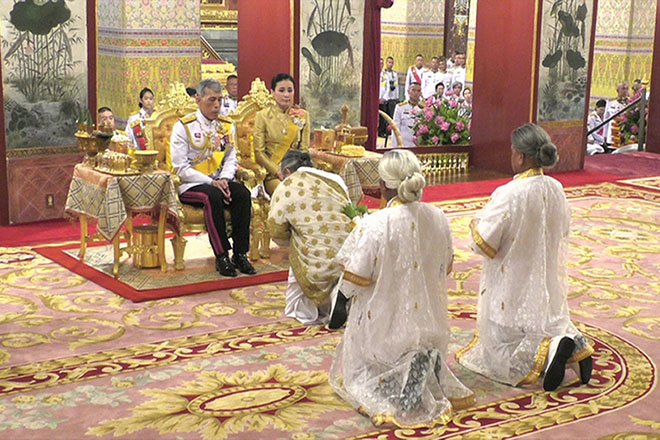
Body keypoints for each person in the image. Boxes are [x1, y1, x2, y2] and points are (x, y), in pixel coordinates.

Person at [329, 150, 475, 428]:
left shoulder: (376, 223)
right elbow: (445, 266)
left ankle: (397, 370)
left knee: (359, 374)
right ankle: (422, 360)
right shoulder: (438, 216)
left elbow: (356, 276)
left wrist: (341, 298)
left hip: (386, 322)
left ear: (383, 185)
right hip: (428, 320)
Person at [456, 123, 594, 392]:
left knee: (496, 353)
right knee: (548, 321)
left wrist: (475, 222)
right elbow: (563, 229)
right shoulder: (556, 187)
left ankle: (551, 350)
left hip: (512, 286)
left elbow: (484, 242)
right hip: (546, 282)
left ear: (520, 156)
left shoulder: (510, 192)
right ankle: (573, 347)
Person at [170, 78, 256, 278]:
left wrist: (224, 179)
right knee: (212, 196)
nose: (217, 105)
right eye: (211, 100)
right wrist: (211, 182)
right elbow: (180, 168)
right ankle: (221, 255)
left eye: (219, 100)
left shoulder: (226, 126)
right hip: (190, 184)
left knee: (242, 194)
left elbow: (231, 157)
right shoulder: (184, 127)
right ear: (198, 99)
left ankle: (240, 254)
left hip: (219, 180)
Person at [267, 150, 353, 325]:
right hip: (347, 255)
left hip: (315, 261)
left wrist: (292, 239)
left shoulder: (288, 185)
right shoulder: (335, 179)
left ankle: (311, 309)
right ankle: (337, 297)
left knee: (298, 240)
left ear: (288, 172)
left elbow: (275, 229)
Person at [254, 73, 310, 195]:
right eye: (281, 90)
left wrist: (296, 171)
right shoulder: (262, 116)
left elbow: (304, 150)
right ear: (272, 92)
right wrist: (277, 171)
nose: (286, 95)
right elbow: (259, 152)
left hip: (296, 172)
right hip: (273, 174)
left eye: (290, 90)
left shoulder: (302, 115)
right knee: (288, 193)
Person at [392, 82, 422, 148]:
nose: (416, 93)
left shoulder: (424, 109)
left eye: (418, 91)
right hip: (404, 145)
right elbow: (395, 129)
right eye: (413, 90)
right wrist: (396, 146)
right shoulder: (400, 107)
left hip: (419, 146)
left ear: (421, 93)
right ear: (408, 92)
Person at [379, 56, 399, 138]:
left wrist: (384, 98)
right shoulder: (380, 74)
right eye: (389, 62)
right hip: (378, 98)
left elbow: (388, 87)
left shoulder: (390, 75)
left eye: (382, 64)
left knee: (386, 117)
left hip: (386, 99)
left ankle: (384, 131)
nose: (390, 64)